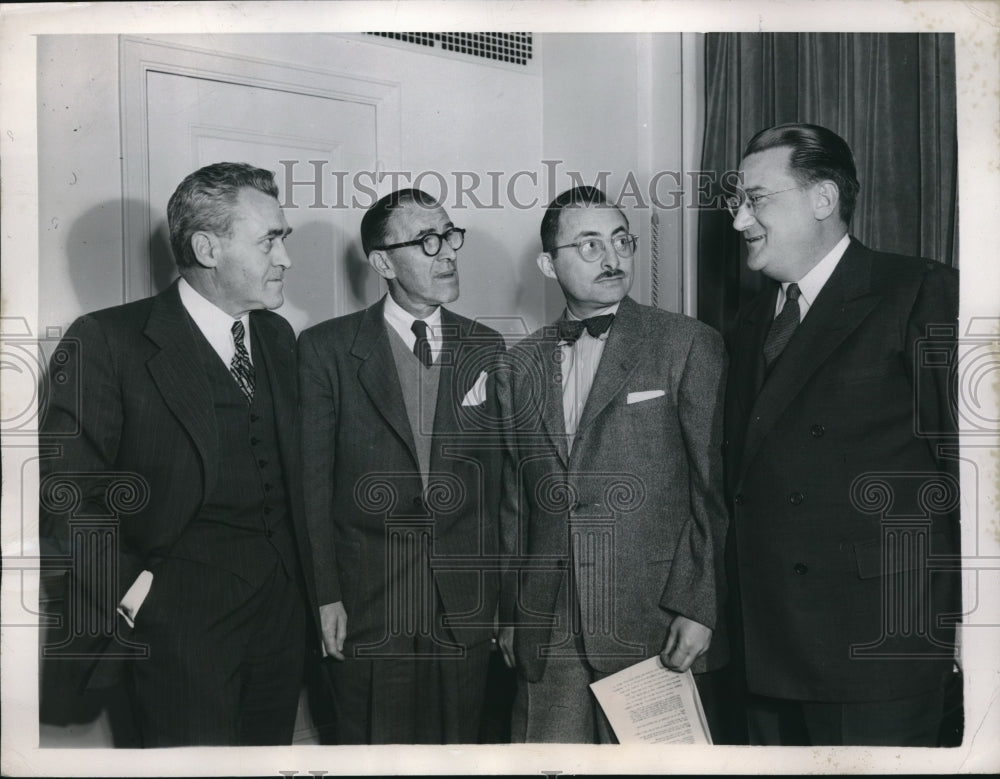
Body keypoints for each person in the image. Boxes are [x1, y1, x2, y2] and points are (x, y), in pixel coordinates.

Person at [38, 162, 320, 746]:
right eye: (270, 239)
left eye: (283, 239)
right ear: (206, 248)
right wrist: (135, 597)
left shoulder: (276, 337)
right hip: (175, 624)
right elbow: (67, 496)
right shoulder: (106, 340)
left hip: (281, 618)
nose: (286, 258)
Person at [723, 122, 960, 746]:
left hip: (876, 648)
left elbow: (973, 473)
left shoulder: (919, 291)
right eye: (736, 202)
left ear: (823, 199)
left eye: (756, 200)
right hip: (766, 645)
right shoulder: (749, 323)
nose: (739, 220)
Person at [496, 185, 729, 743]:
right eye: (590, 244)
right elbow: (512, 501)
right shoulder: (518, 364)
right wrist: (509, 613)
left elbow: (711, 491)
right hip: (546, 625)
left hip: (653, 618)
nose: (613, 257)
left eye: (621, 240)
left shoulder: (687, 344)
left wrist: (698, 607)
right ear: (548, 264)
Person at [298, 188, 506, 744]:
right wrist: (324, 595)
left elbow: (501, 492)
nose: (448, 254)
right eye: (428, 241)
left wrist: (504, 603)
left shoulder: (487, 346)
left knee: (460, 751)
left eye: (450, 237)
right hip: (369, 605)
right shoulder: (325, 349)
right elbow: (311, 488)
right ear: (383, 262)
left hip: (464, 606)